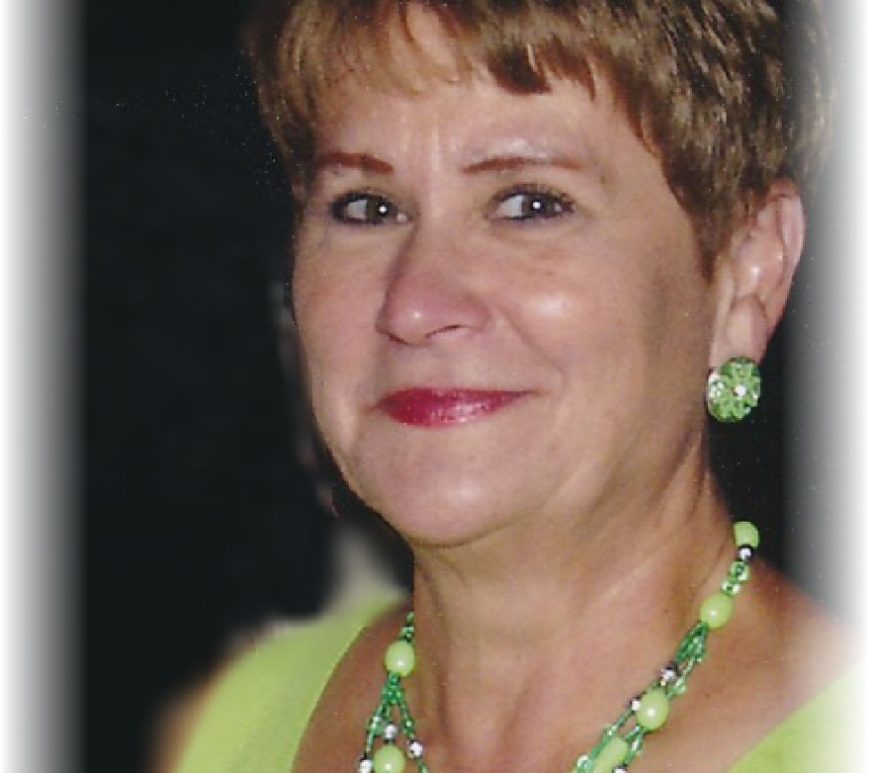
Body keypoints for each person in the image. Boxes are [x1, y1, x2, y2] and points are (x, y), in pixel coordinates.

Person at [171, 1, 855, 771]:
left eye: (530, 204)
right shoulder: (230, 721)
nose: (415, 306)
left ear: (746, 271)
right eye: (368, 207)